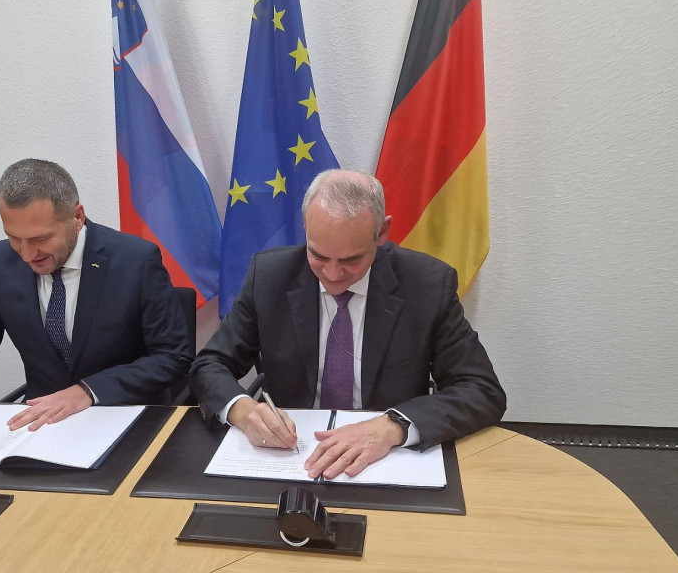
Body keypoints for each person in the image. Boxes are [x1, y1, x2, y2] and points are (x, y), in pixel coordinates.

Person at [190, 169, 506, 480]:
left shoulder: (426, 284)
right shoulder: (270, 276)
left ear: (382, 232)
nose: (332, 274)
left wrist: (394, 425)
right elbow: (210, 364)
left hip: (386, 460)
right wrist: (243, 410)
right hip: (290, 455)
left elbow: (482, 390)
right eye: (318, 255)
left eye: (351, 259)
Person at [0, 158, 191, 443]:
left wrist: (87, 391)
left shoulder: (135, 260)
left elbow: (172, 357)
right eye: (14, 238)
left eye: (41, 238)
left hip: (127, 421)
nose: (27, 255)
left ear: (77, 217)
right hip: (40, 431)